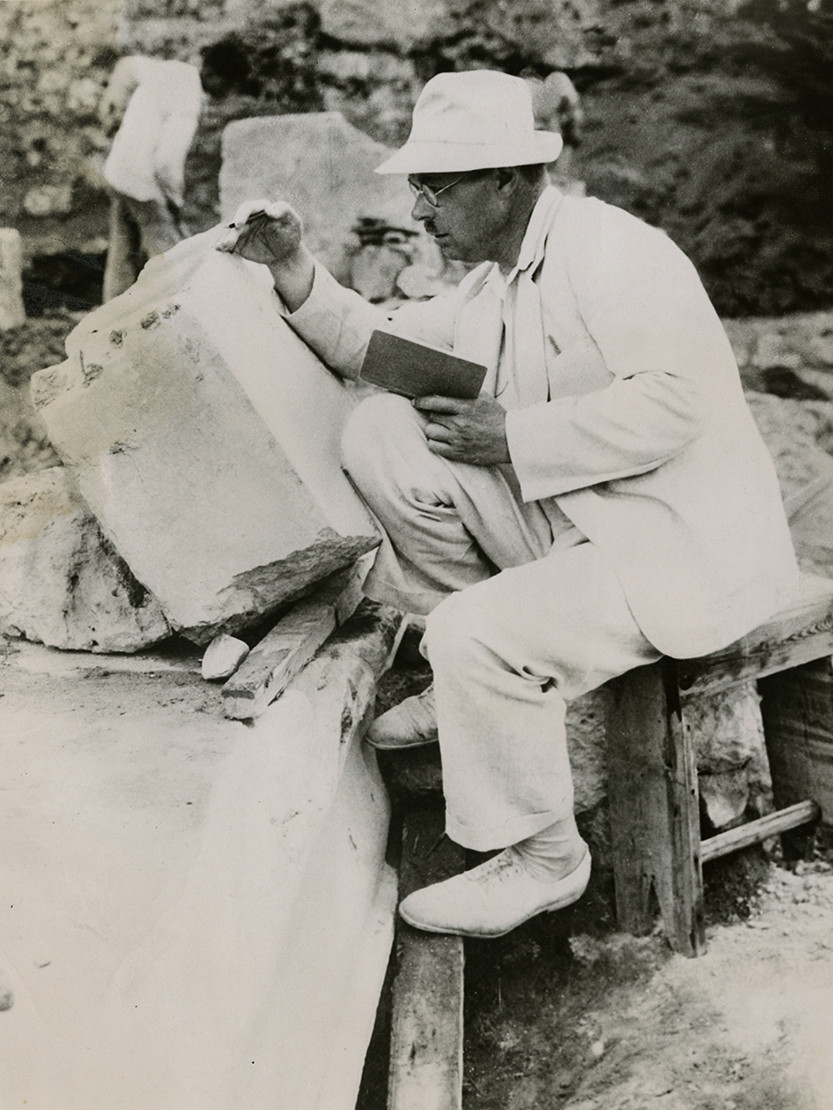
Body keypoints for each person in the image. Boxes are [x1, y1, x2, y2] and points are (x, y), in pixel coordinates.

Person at [218, 71, 799, 939]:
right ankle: (474, 689)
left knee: (472, 633)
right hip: (583, 522)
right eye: (417, 188)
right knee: (380, 432)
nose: (420, 211)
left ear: (508, 180)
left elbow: (678, 402)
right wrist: (294, 269)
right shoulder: (493, 281)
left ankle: (544, 856)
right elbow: (384, 348)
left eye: (437, 188)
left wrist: (514, 437)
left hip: (675, 548)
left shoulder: (614, 251)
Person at [99, 56, 202, 300]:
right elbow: (166, 163)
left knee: (124, 248)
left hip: (117, 170)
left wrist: (111, 103)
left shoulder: (176, 70)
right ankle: (179, 311)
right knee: (167, 252)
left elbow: (127, 66)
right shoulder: (190, 100)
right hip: (141, 182)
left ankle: (109, 315)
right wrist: (175, 201)